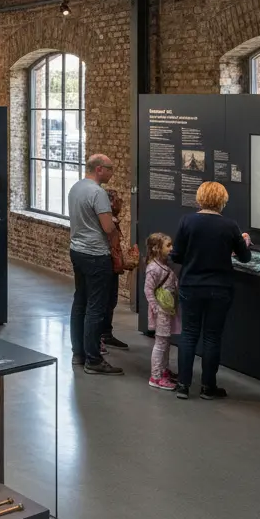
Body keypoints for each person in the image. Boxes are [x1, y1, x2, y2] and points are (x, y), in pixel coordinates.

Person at [170, 181, 251, 400]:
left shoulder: (187, 221)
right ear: (222, 200)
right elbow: (245, 257)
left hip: (191, 285)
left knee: (188, 335)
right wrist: (243, 242)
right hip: (219, 287)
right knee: (212, 337)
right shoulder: (230, 226)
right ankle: (208, 387)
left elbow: (176, 255)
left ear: (200, 198)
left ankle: (183, 385)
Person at [68, 153, 123, 375]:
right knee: (96, 307)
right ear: (99, 169)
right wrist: (115, 227)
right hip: (96, 255)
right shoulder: (97, 193)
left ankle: (78, 353)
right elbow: (108, 227)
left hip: (77, 251)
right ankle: (93, 359)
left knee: (80, 302)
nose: (112, 173)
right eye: (109, 168)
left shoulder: (76, 188)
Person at [98, 188, 139, 352]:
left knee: (110, 301)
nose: (120, 202)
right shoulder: (107, 223)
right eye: (116, 199)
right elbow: (112, 248)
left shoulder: (112, 221)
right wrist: (124, 264)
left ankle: (105, 334)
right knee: (103, 303)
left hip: (110, 266)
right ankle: (98, 338)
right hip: (104, 265)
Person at [143, 232, 180, 390]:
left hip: (167, 310)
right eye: (168, 245)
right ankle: (156, 376)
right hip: (161, 311)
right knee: (160, 343)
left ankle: (164, 370)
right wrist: (156, 308)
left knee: (165, 342)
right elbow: (148, 290)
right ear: (157, 248)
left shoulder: (164, 265)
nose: (171, 248)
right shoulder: (153, 268)